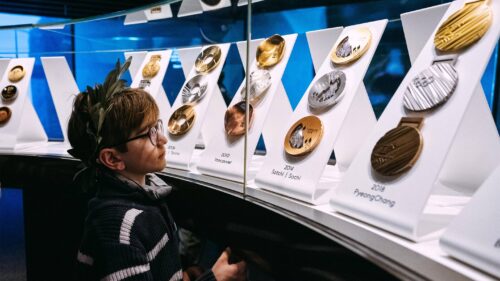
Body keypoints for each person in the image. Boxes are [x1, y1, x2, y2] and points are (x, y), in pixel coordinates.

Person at [68, 58, 246, 281]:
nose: (162, 138)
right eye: (147, 133)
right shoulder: (120, 228)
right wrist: (214, 279)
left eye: (157, 127)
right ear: (112, 158)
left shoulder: (147, 198)